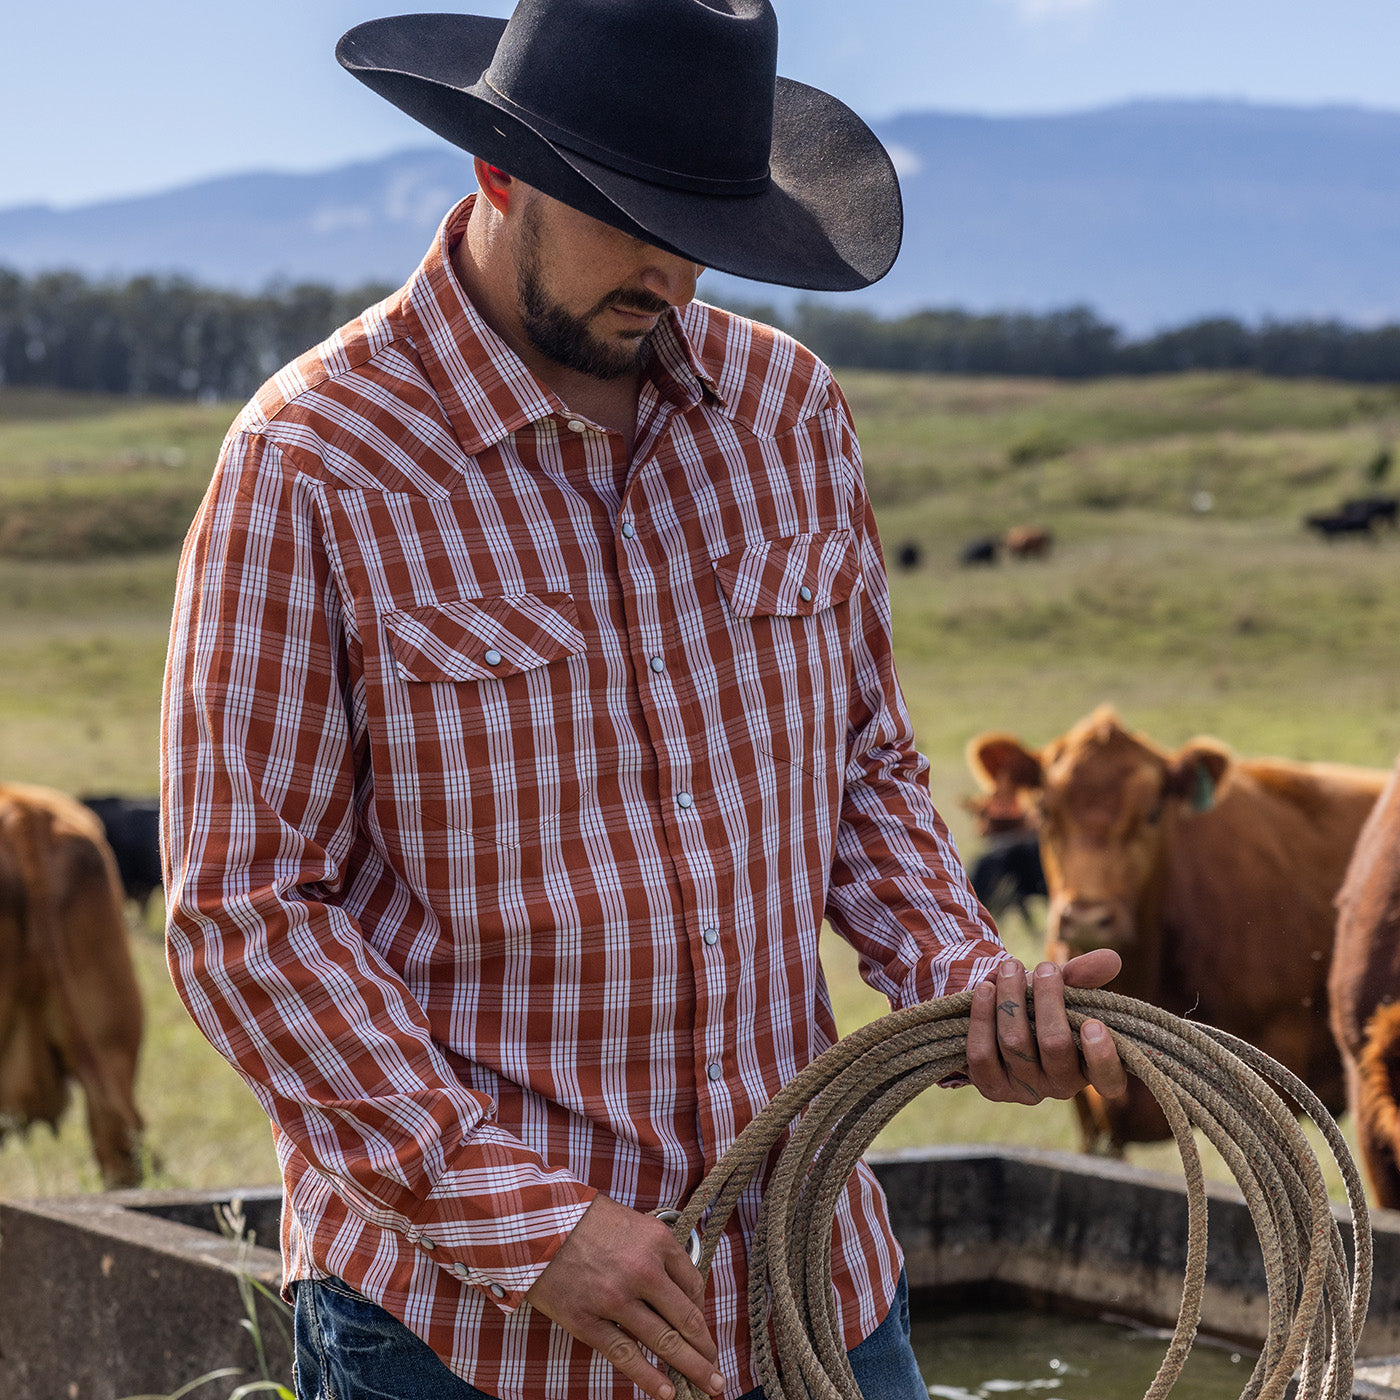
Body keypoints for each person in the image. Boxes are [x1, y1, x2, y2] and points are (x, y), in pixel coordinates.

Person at [160, 3, 1127, 1399]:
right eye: (628, 216)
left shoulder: (791, 415)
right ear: (497, 171)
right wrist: (523, 1222)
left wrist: (961, 981)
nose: (671, 273)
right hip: (468, 1330)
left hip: (805, 1284)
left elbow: (862, 770)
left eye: (703, 227)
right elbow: (244, 913)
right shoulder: (315, 464)